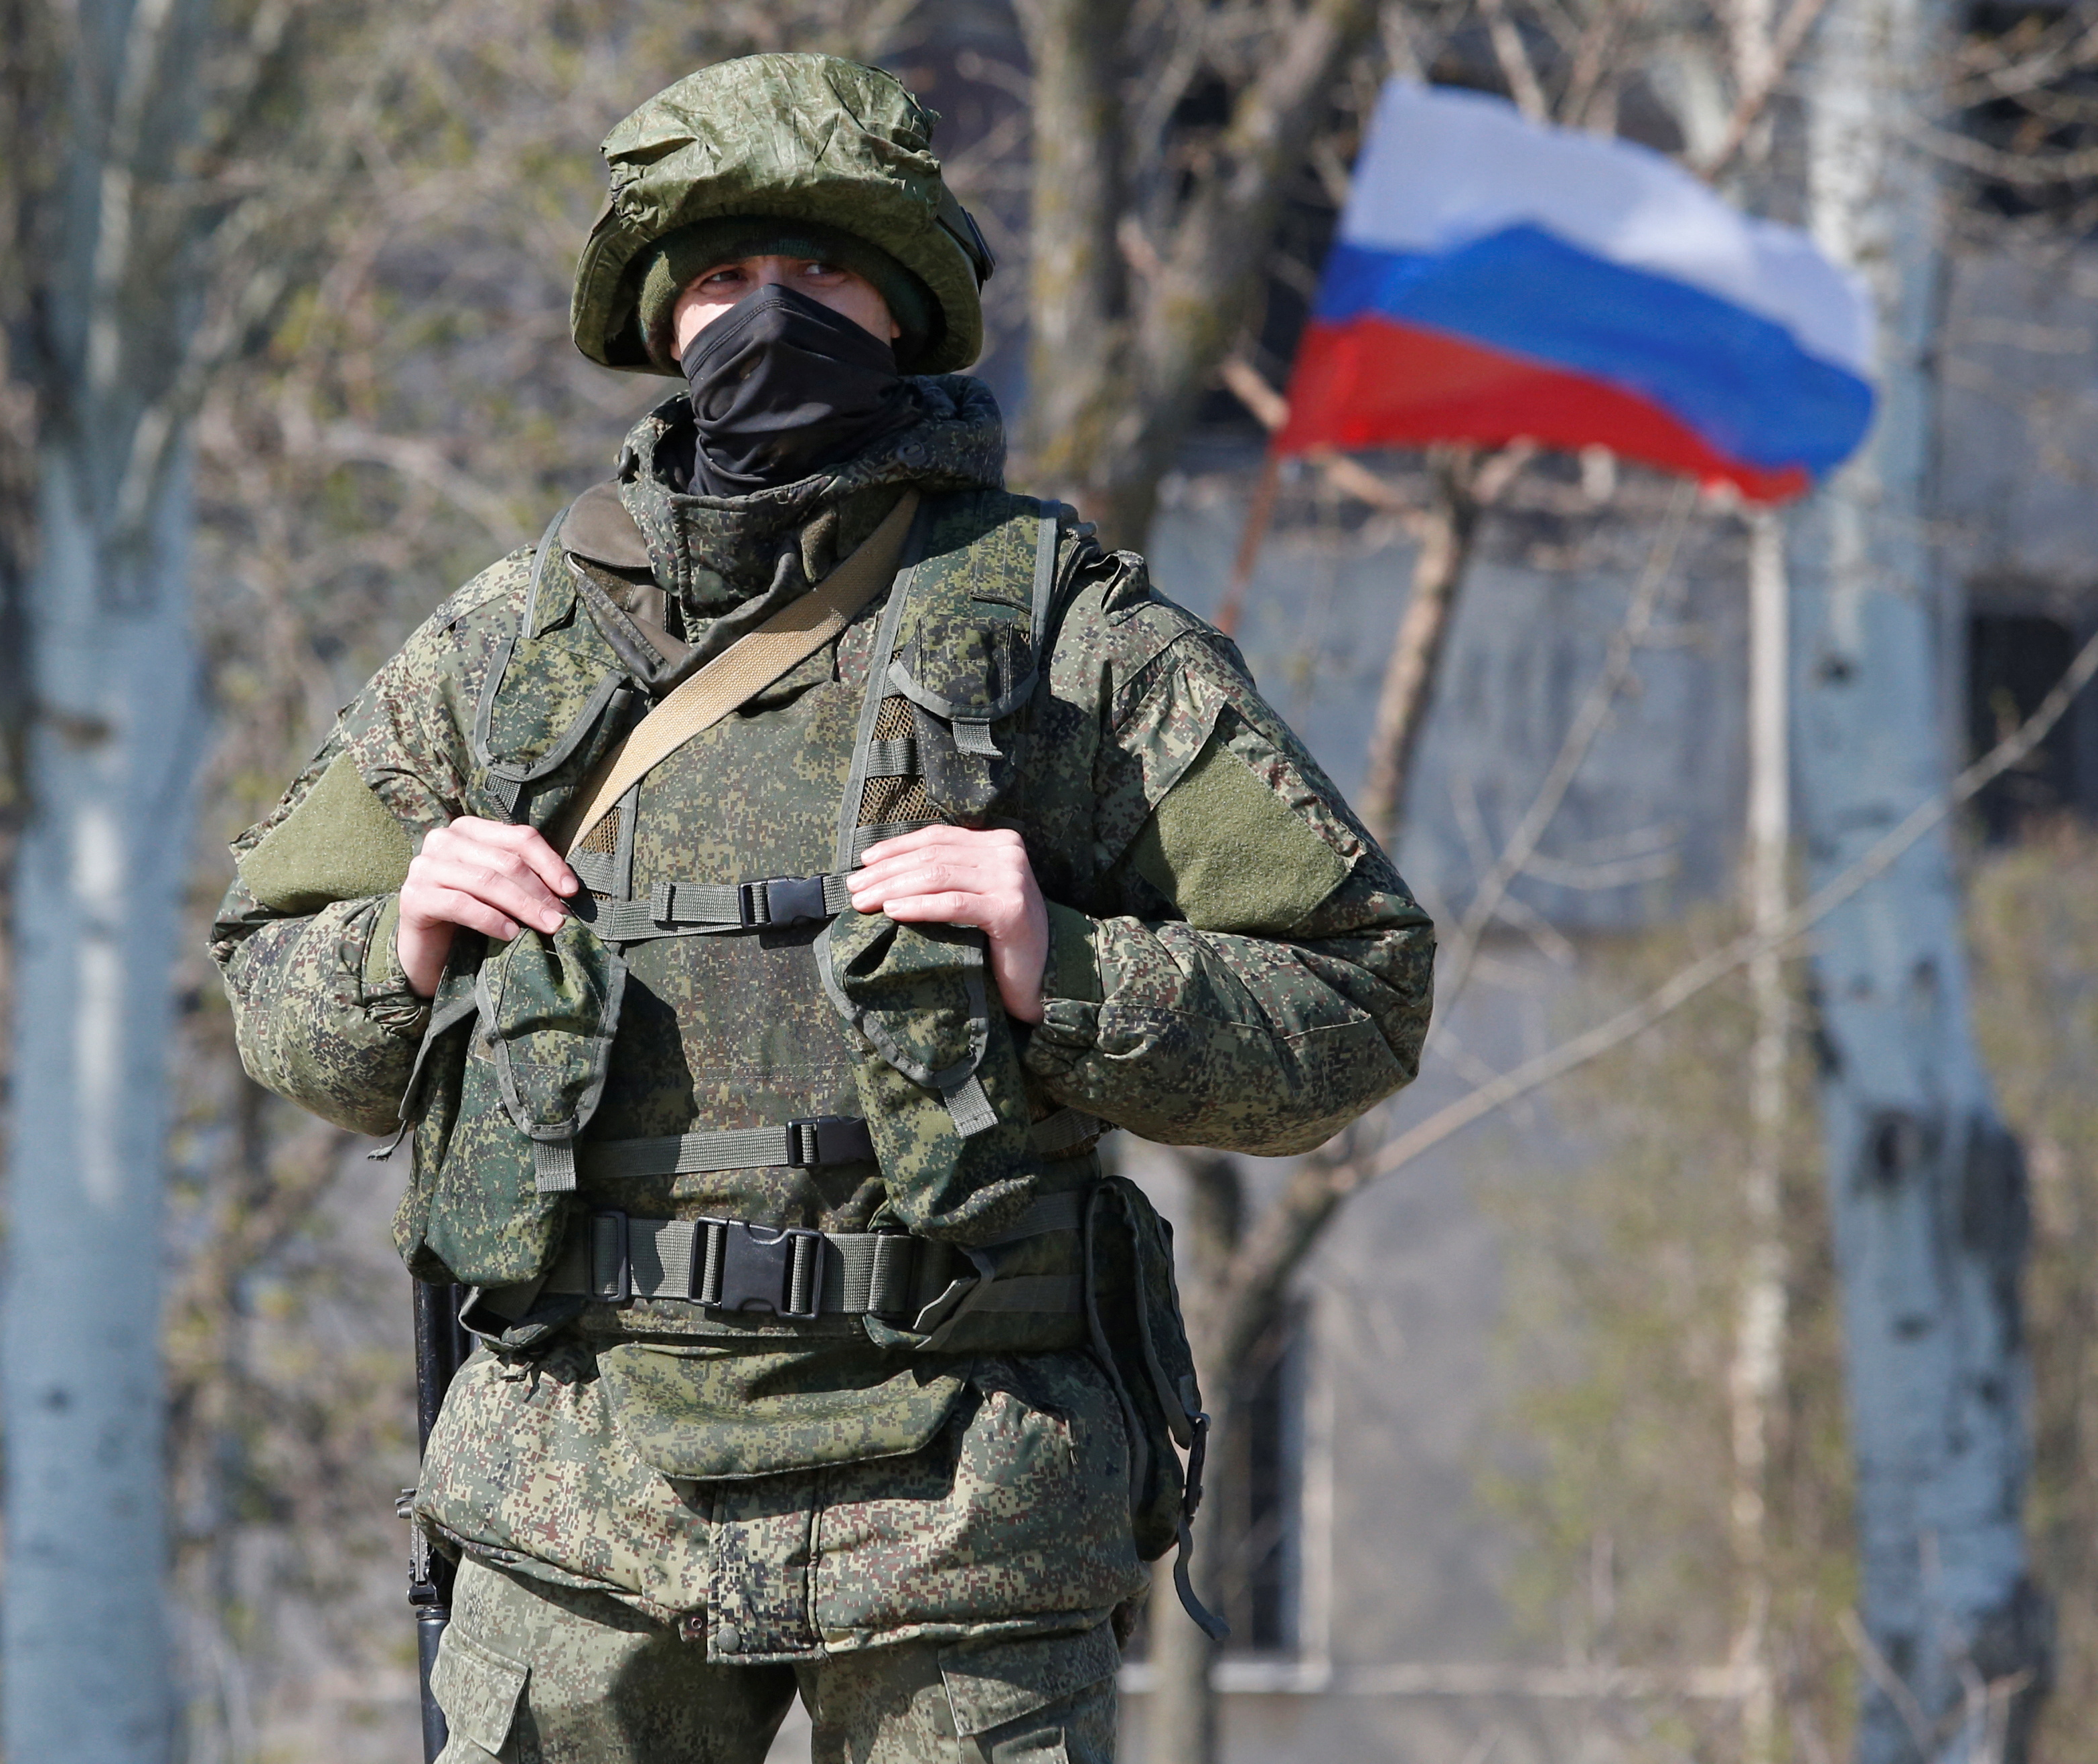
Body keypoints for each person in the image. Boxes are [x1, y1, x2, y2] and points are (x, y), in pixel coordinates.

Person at [212, 51, 1432, 1764]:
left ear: (905, 306)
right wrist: (398, 942)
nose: (769, 317)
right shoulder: (512, 644)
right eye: (724, 279)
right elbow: (271, 973)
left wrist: (1063, 965)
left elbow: (1358, 1000)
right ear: (659, 320)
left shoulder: (1067, 636)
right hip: (581, 1500)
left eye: (821, 277)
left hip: (963, 1507)